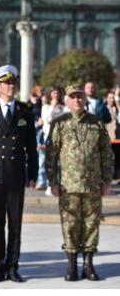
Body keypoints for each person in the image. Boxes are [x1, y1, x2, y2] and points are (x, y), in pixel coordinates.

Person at [45, 84, 114, 282]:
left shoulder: (96, 123)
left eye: (79, 97)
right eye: (72, 97)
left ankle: (89, 264)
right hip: (68, 186)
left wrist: (107, 180)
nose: (76, 100)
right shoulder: (60, 124)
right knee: (70, 225)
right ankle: (72, 265)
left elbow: (106, 155)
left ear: (85, 99)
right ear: (66, 101)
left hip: (93, 185)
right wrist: (53, 181)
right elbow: (51, 155)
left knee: (92, 224)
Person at [0, 65, 38, 283]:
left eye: (13, 82)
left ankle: (13, 267)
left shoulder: (25, 111)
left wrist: (32, 173)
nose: (11, 86)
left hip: (15, 175)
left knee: (15, 223)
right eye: (6, 83)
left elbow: (31, 147)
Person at [40, 86, 65, 195]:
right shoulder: (46, 107)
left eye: (57, 93)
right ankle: (50, 185)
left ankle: (59, 185)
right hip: (49, 137)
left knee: (60, 163)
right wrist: (53, 107)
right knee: (50, 162)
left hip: (62, 137)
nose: (56, 95)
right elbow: (47, 119)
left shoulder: (64, 107)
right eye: (53, 93)